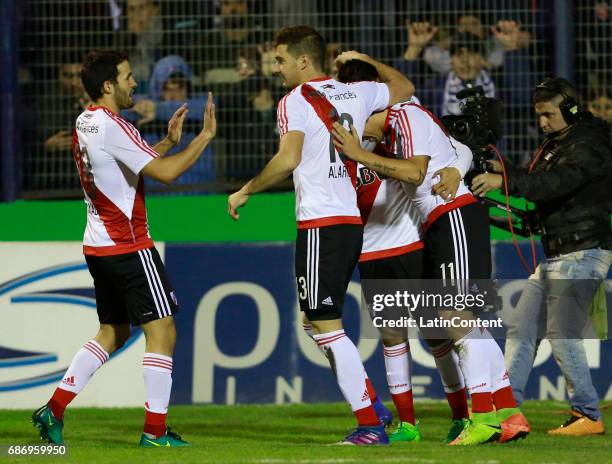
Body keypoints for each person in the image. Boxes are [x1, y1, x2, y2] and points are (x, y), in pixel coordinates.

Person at [227, 26, 414, 445]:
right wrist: (368, 58)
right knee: (315, 324)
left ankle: (369, 423)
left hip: (320, 223)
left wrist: (246, 189)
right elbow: (403, 86)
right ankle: (374, 407)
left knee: (325, 325)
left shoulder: (293, 101)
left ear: (303, 61)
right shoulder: (360, 92)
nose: (276, 68)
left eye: (280, 60)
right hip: (349, 223)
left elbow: (288, 158)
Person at [31, 50, 216, 447]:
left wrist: (166, 141)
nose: (135, 82)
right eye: (128, 76)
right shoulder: (116, 126)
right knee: (163, 330)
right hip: (130, 246)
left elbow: (127, 164)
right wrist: (203, 138)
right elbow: (165, 174)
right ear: (109, 86)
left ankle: (54, 409)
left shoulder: (85, 121)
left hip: (99, 246)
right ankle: (154, 432)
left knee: (112, 331)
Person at [332, 78, 530, 445]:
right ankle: (505, 412)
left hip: (434, 229)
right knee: (459, 323)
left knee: (451, 323)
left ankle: (480, 416)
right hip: (425, 231)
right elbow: (453, 146)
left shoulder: (405, 118)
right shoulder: (379, 139)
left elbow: (439, 156)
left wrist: (458, 168)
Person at [337, 59, 472, 444]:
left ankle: (462, 417)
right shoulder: (341, 135)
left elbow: (458, 149)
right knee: (392, 337)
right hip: (371, 250)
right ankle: (408, 424)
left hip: (413, 242)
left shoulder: (398, 122)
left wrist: (457, 170)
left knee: (437, 333)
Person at [472, 77, 612, 436]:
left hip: (582, 251)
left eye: (548, 114)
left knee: (562, 330)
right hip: (558, 252)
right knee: (522, 328)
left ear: (569, 110)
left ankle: (588, 415)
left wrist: (503, 179)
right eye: (539, 115)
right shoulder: (558, 144)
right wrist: (490, 206)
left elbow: (554, 185)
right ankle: (508, 410)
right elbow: (546, 204)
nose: (543, 122)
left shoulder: (589, 145)